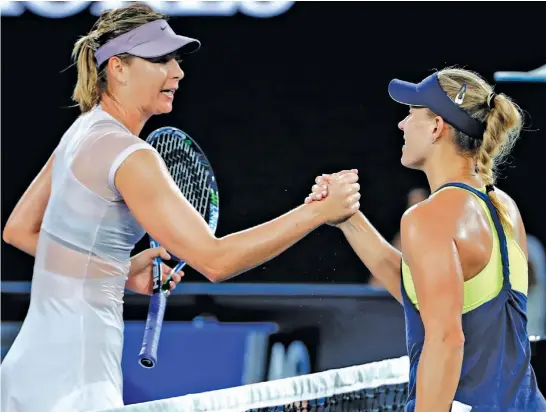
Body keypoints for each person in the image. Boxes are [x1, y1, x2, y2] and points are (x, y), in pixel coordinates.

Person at [0, 4, 360, 412]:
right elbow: (216, 261)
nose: (177, 72)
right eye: (159, 59)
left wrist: (117, 272)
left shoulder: (83, 130)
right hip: (77, 383)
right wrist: (317, 212)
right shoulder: (130, 155)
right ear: (117, 67)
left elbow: (20, 230)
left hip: (27, 373)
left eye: (175, 59)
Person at [306, 67, 546, 411]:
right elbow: (427, 294)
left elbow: (446, 340)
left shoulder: (428, 217)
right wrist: (348, 218)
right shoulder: (504, 206)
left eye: (410, 114)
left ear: (436, 127)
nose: (402, 124)